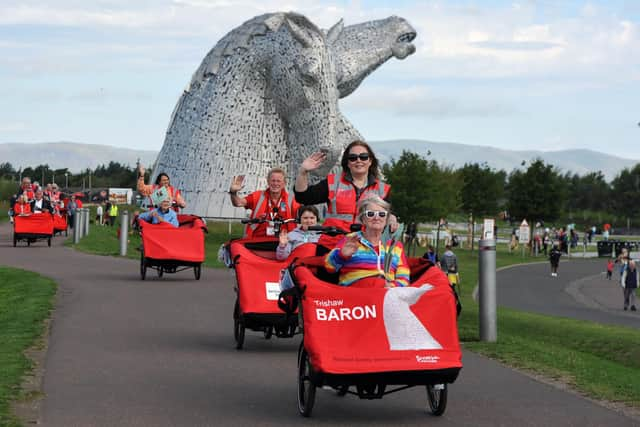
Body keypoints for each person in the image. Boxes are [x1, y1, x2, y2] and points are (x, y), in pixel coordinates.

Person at [295, 140, 391, 252]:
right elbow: (303, 197)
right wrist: (303, 172)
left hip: (367, 248)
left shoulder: (383, 189)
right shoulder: (332, 182)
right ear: (347, 163)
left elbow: (389, 216)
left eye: (363, 157)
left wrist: (392, 219)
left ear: (370, 161)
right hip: (331, 247)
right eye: (353, 157)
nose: (358, 160)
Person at [324, 196, 409, 288]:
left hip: (386, 295)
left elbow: (404, 279)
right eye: (371, 214)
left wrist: (391, 287)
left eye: (382, 214)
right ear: (363, 219)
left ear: (386, 220)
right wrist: (341, 255)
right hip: (356, 295)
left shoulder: (395, 246)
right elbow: (329, 267)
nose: (376, 218)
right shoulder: (350, 239)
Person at [229, 167, 299, 238]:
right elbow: (238, 203)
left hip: (284, 242)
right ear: (268, 181)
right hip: (258, 240)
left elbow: (303, 214)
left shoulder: (292, 200)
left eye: (278, 181)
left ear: (284, 183)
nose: (275, 183)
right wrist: (233, 192)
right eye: (273, 181)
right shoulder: (258, 196)